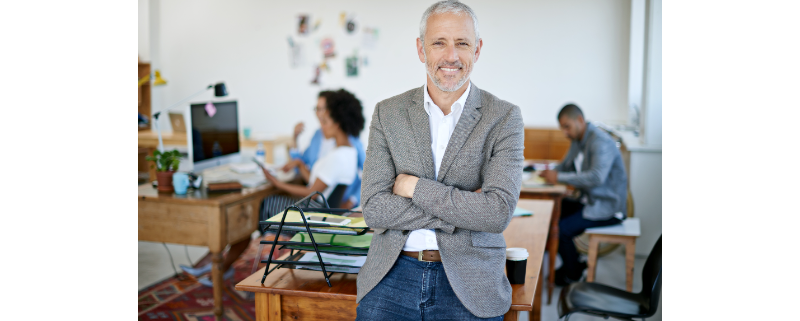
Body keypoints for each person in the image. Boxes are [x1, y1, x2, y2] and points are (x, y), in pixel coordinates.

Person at [355, 1, 523, 320]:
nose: (451, 56)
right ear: (421, 49)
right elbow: (374, 208)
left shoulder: (504, 118)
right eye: (439, 43)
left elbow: (497, 212)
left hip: (472, 280)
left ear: (477, 49)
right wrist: (464, 211)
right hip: (391, 274)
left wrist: (413, 187)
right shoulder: (388, 113)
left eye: (462, 43)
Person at [181, 89, 365, 286]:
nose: (321, 124)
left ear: (337, 123)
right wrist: (298, 164)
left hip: (313, 214)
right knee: (253, 212)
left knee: (256, 209)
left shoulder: (338, 156)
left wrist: (277, 183)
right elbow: (319, 184)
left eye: (325, 121)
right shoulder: (347, 152)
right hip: (321, 211)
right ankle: (220, 265)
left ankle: (219, 265)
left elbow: (312, 192)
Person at [538, 104, 628, 286]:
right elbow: (564, 166)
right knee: (549, 214)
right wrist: (548, 172)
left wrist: (558, 177)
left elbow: (596, 177)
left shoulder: (600, 141)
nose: (565, 132)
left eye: (567, 126)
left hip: (607, 208)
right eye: (562, 128)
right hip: (588, 201)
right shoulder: (578, 139)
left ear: (580, 120)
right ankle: (573, 262)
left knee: (562, 229)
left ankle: (573, 273)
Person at [287, 94, 366, 209]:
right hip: (319, 198)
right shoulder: (317, 136)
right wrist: (295, 139)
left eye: (323, 109)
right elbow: (302, 164)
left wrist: (352, 201)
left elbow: (367, 173)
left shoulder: (351, 141)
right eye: (317, 109)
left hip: (336, 203)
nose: (320, 113)